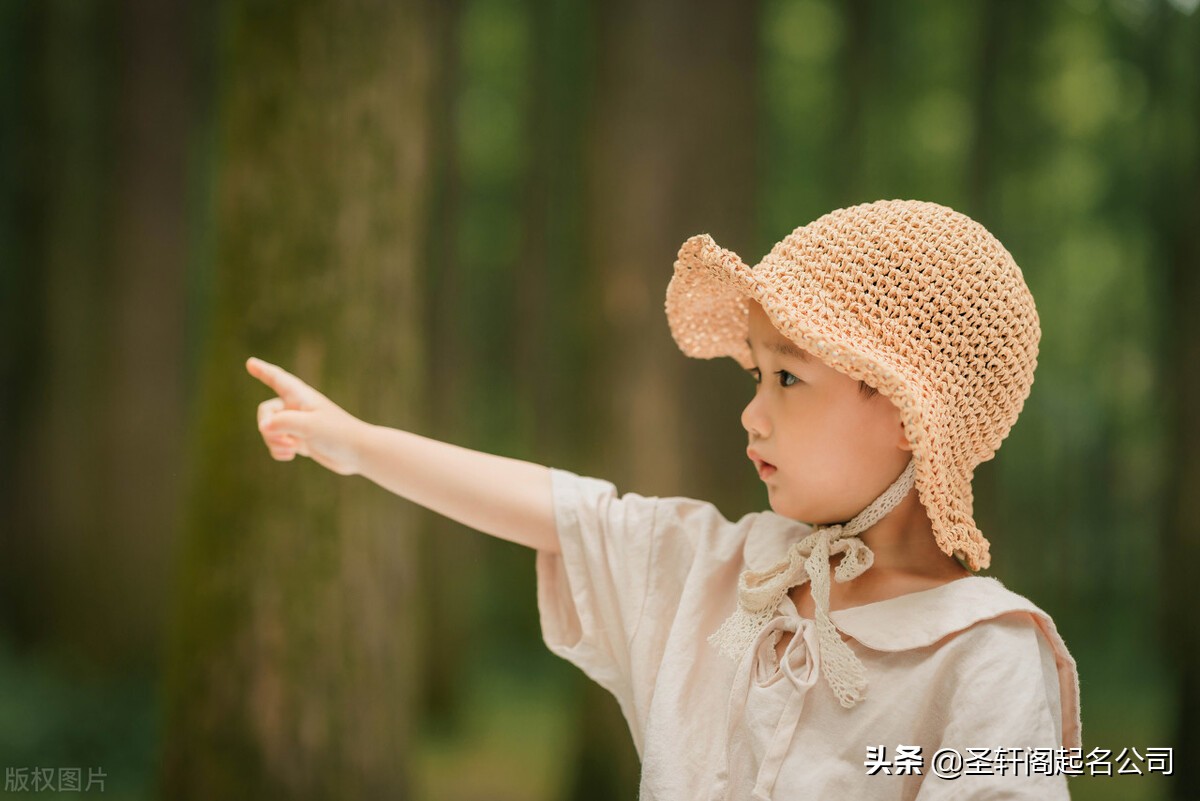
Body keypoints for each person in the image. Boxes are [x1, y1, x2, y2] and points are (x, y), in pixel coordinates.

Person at [247, 199, 1081, 800]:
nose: (751, 412)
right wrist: (352, 443)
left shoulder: (988, 660)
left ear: (909, 412)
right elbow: (565, 511)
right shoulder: (717, 572)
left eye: (788, 377)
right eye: (756, 374)